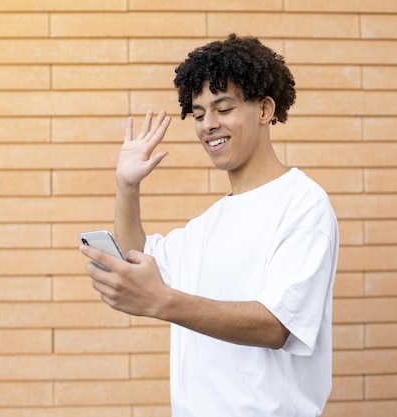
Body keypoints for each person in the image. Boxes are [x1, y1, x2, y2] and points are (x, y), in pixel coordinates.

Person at [80, 34, 339, 417]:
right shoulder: (209, 223)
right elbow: (139, 258)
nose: (208, 125)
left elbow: (276, 325)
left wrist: (163, 302)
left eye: (223, 108)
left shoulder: (302, 204)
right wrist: (127, 186)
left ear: (265, 109)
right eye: (199, 114)